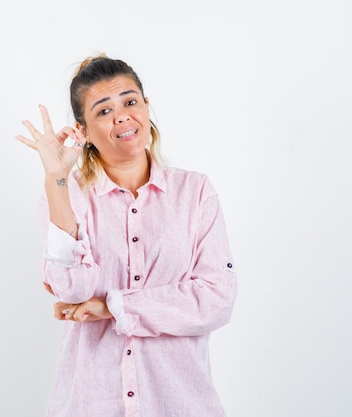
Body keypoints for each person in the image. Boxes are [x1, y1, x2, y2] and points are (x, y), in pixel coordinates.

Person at [15, 53, 237, 417]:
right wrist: (56, 179)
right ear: (82, 132)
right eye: (103, 111)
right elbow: (72, 288)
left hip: (180, 404)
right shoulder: (67, 198)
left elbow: (216, 299)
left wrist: (114, 307)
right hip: (92, 404)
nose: (121, 116)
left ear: (146, 107)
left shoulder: (195, 193)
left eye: (130, 102)